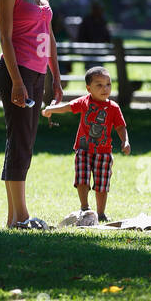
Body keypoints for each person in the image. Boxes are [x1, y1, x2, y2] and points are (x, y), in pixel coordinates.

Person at [0, 0, 62, 230]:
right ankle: (21, 216)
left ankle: (14, 218)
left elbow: (48, 36)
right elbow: (5, 39)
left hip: (36, 73)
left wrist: (55, 77)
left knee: (25, 141)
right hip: (15, 73)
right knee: (20, 141)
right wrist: (17, 82)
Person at [42, 66, 130, 222]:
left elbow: (120, 126)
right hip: (83, 149)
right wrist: (51, 109)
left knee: (102, 184)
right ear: (89, 88)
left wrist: (125, 141)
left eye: (108, 84)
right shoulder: (84, 102)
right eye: (99, 85)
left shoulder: (113, 108)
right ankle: (85, 208)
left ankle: (101, 213)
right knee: (82, 179)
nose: (105, 88)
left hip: (103, 152)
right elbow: (68, 107)